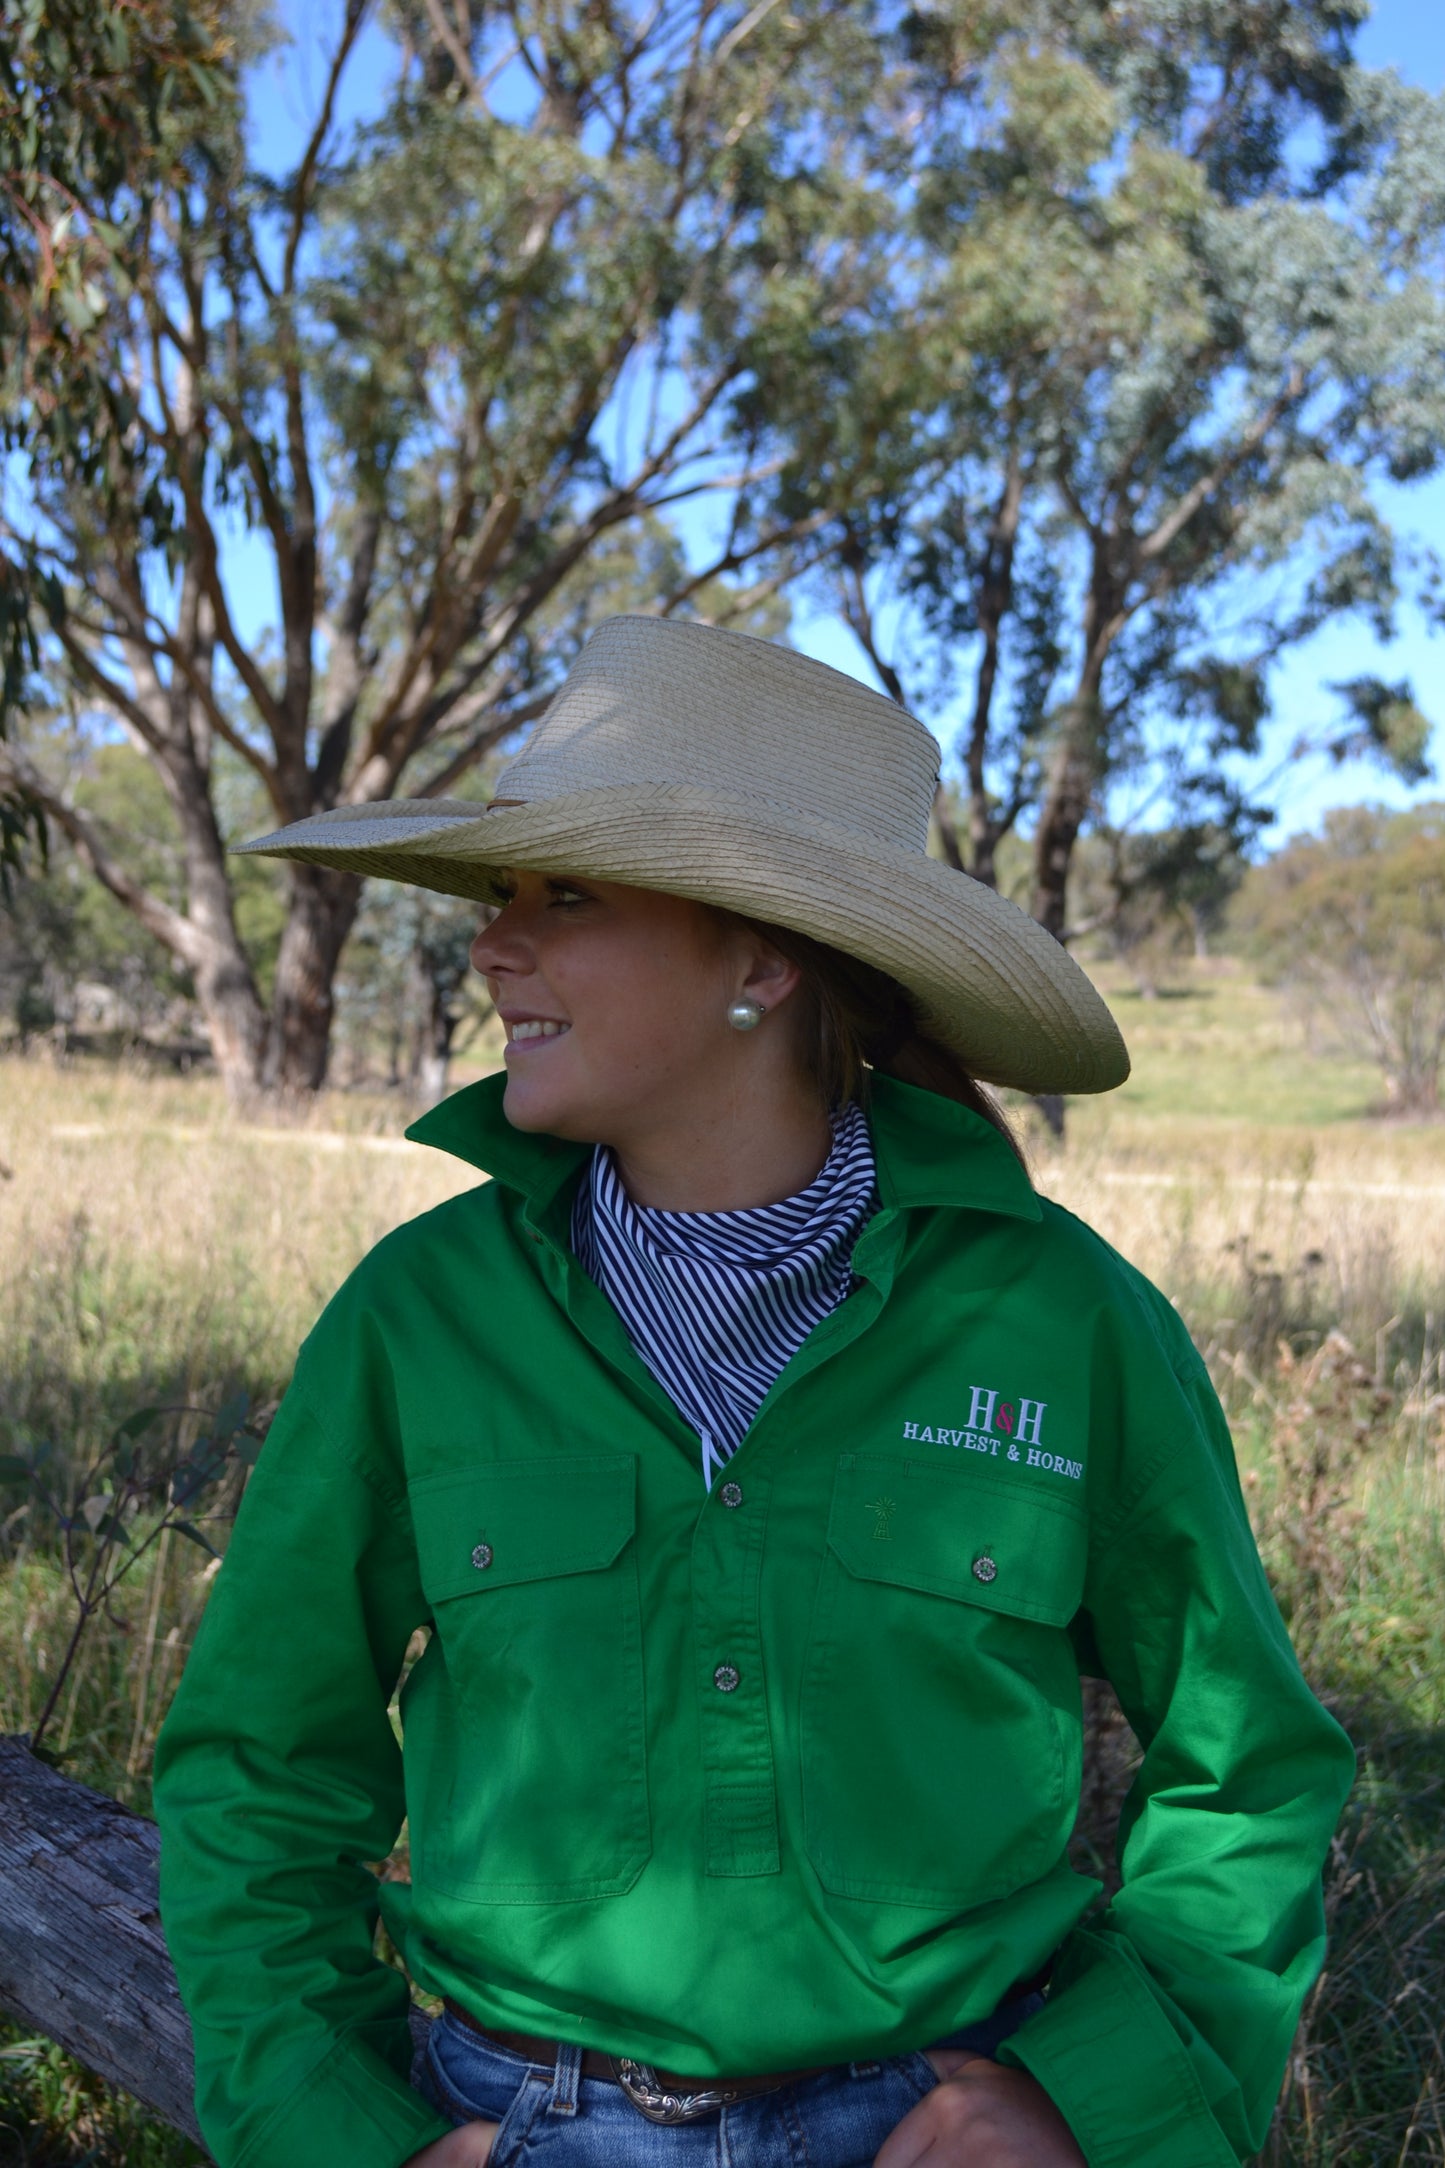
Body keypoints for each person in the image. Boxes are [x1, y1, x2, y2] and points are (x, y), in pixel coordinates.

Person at [152, 615, 1355, 2168]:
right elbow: (259, 1764)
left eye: (564, 895)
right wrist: (335, 2134)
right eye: (499, 895)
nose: (491, 944)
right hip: (518, 2125)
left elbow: (1244, 1761)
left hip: (937, 2125)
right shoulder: (421, 1319)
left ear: (765, 959)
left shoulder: (1063, 1323)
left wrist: (1099, 2102)